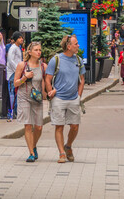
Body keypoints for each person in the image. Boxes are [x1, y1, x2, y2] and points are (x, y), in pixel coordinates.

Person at [44, 35, 86, 164]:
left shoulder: (78, 60)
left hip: (73, 98)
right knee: (59, 127)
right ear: (68, 46)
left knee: (74, 126)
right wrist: (51, 92)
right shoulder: (56, 60)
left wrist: (79, 95)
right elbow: (48, 78)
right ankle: (62, 153)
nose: (78, 46)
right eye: (76, 44)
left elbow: (82, 79)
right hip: (59, 99)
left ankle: (68, 145)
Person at [14, 41, 45, 162]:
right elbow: (15, 83)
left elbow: (43, 81)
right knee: (28, 125)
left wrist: (46, 93)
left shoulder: (43, 66)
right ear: (30, 52)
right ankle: (31, 153)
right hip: (24, 97)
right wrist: (25, 77)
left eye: (40, 50)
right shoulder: (22, 65)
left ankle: (33, 145)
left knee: (39, 127)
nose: (39, 52)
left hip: (36, 98)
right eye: (36, 50)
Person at [6, 32, 24, 122]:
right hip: (13, 74)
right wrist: (18, 70)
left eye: (22, 38)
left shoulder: (17, 48)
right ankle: (12, 113)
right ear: (16, 39)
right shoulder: (13, 48)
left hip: (16, 73)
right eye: (20, 38)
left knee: (16, 94)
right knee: (13, 94)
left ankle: (16, 113)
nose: (22, 39)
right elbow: (10, 60)